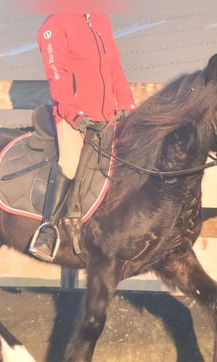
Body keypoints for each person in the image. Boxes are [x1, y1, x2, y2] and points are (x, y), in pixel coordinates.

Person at [29, 13, 136, 262]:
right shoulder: (54, 25)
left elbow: (114, 67)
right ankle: (48, 228)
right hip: (73, 115)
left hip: (108, 115)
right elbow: (57, 74)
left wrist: (127, 104)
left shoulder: (101, 20)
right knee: (69, 163)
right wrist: (73, 113)